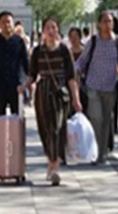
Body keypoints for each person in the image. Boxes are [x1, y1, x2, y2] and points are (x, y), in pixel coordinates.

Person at [27, 18, 83, 186]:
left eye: (54, 27)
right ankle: (51, 161)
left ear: (58, 30)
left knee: (57, 129)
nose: (51, 31)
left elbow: (71, 77)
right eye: (48, 28)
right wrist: (23, 86)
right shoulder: (37, 51)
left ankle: (55, 166)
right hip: (43, 93)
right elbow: (32, 74)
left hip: (60, 93)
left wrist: (76, 99)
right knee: (45, 129)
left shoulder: (64, 50)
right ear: (43, 31)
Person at [75, 11, 118, 164]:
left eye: (110, 21)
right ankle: (94, 153)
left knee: (107, 121)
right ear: (99, 24)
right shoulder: (93, 41)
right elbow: (82, 60)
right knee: (96, 118)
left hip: (110, 87)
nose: (108, 24)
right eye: (105, 21)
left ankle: (102, 153)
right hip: (93, 86)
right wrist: (75, 70)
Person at [0, 11, 30, 117]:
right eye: (3, 22)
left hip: (15, 84)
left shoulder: (19, 42)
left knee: (17, 116)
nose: (6, 25)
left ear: (13, 23)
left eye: (9, 22)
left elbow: (25, 62)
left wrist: (30, 80)